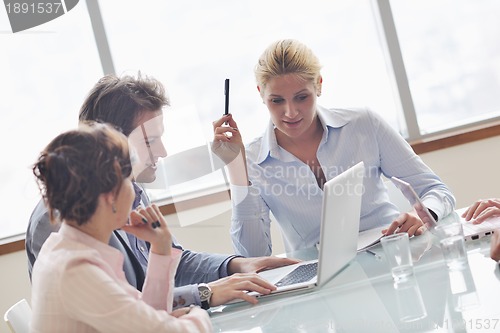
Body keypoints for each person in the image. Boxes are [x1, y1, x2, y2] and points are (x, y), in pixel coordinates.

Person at [26, 73, 298, 310]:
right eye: (150, 141)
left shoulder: (130, 191)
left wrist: (238, 266)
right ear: (110, 142)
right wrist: (206, 293)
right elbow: (120, 311)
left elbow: (173, 263)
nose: (162, 152)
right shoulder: (61, 219)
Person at [212, 39, 456, 257]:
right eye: (277, 101)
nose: (290, 112)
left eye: (301, 97)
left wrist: (426, 215)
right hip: (321, 281)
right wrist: (237, 169)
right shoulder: (252, 160)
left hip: (393, 258)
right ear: (261, 95)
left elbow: (436, 190)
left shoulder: (364, 124)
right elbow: (252, 257)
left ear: (318, 85)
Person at [30, 122, 211, 332]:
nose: (135, 191)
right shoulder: (75, 271)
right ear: (110, 196)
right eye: (128, 181)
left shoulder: (69, 249)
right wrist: (198, 314)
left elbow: (142, 317)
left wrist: (161, 249)